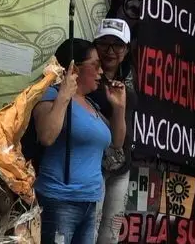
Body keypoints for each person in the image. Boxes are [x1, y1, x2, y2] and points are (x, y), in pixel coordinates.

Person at [33, 38, 127, 244]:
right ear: (75, 68)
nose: (101, 71)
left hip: (90, 201)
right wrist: (64, 95)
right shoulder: (51, 94)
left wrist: (119, 108)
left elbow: (117, 144)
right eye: (95, 64)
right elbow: (46, 136)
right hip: (60, 200)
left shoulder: (91, 104)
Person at [89, 18, 137, 244]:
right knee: (89, 230)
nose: (110, 51)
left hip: (121, 168)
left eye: (117, 45)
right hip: (92, 167)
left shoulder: (127, 84)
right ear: (95, 45)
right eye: (104, 43)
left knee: (110, 235)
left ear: (126, 50)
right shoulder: (85, 81)